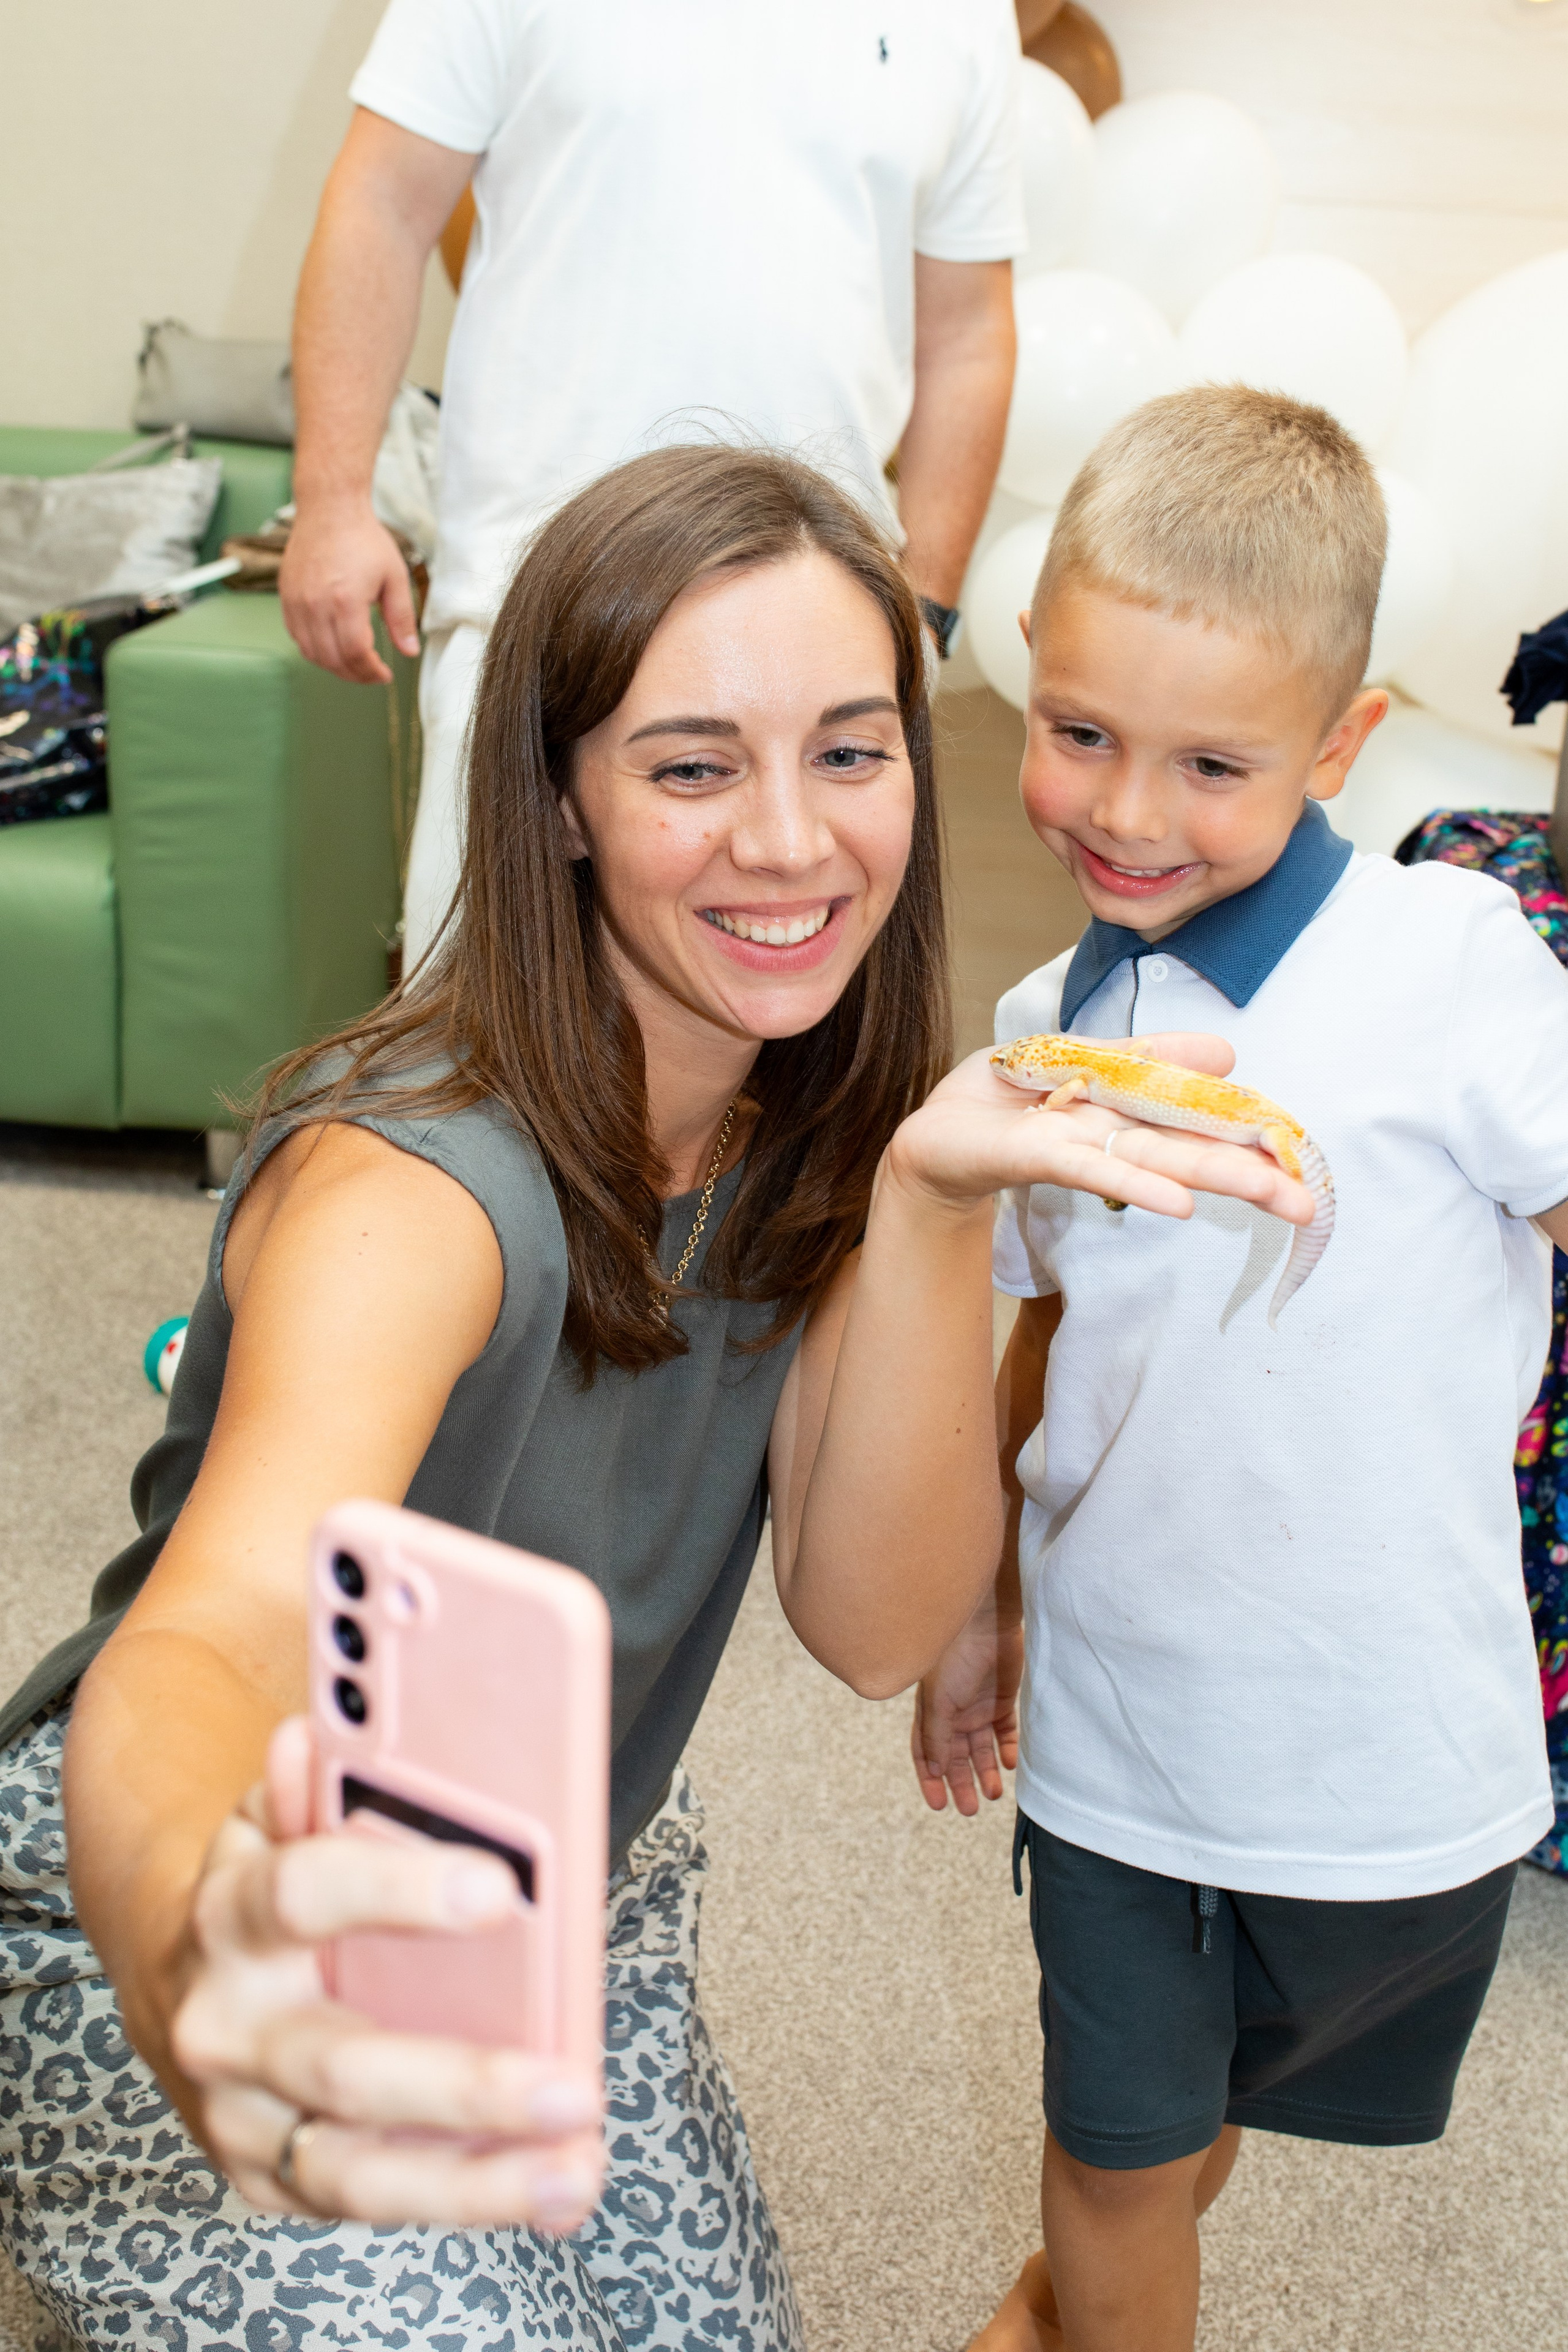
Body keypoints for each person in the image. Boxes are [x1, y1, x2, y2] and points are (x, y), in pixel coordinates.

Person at [0, 443, 1308, 2351]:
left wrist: (933, 1210)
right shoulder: (413, 1194)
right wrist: (206, 1948)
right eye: (693, 767)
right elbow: (207, 1642)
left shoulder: (814, 1132)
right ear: (560, 802)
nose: (791, 843)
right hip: (215, 1883)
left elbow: (870, 1628)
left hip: (559, 1896)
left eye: (852, 754)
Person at [910, 385, 1568, 2352]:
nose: (1125, 810)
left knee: (1183, 2139)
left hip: (1389, 1758)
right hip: (1119, 1746)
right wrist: (978, 1606)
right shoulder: (1038, 1025)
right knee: (1114, 2155)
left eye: (1212, 763)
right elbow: (1041, 1340)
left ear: (1345, 746)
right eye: (1083, 733)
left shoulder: (1454, 965)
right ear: (1031, 667)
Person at [279, 0, 1025, 963]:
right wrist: (335, 502)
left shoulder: (965, 18)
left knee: (798, 1065)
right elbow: (381, 203)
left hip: (818, 645)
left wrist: (925, 610)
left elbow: (967, 330)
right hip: (532, 611)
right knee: (485, 1049)